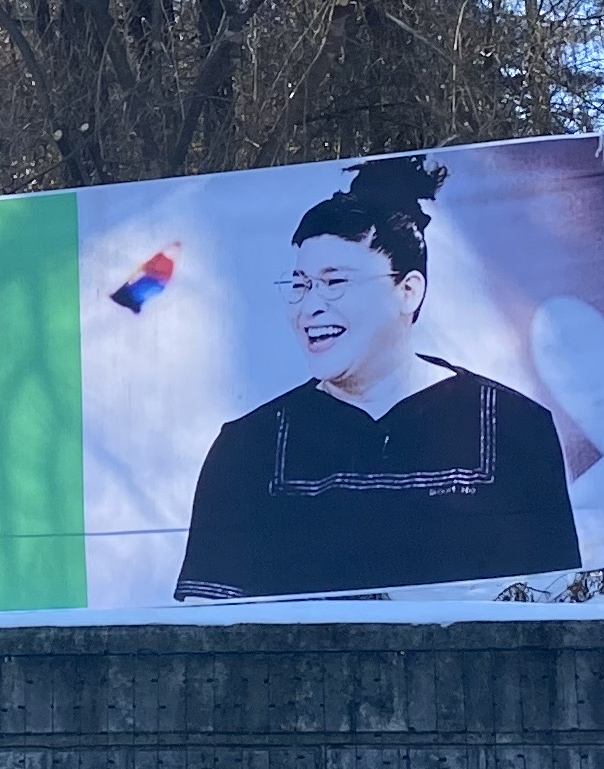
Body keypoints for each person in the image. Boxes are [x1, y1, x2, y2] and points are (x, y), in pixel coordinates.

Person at [173, 154, 581, 598]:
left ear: (408, 291)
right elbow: (208, 620)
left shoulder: (514, 427)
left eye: (335, 282)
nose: (310, 307)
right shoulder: (247, 447)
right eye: (300, 284)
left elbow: (552, 601)